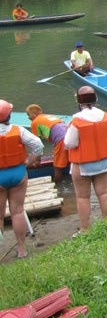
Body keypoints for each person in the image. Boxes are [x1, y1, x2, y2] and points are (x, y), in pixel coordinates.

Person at [64, 86, 107, 234]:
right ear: (95, 99)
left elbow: (69, 143)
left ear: (79, 101)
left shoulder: (76, 120)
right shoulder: (105, 116)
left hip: (83, 165)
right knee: (104, 193)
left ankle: (85, 229)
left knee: (83, 197)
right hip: (104, 162)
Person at [0, 100, 43, 258]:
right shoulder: (18, 130)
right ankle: (22, 250)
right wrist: (29, 162)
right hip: (17, 173)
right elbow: (38, 145)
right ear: (9, 115)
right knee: (17, 211)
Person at [25, 104, 68, 182]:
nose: (28, 117)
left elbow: (37, 144)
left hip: (61, 139)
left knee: (56, 165)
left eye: (28, 115)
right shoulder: (49, 117)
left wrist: (38, 160)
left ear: (34, 114)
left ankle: (57, 183)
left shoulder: (35, 122)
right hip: (70, 135)